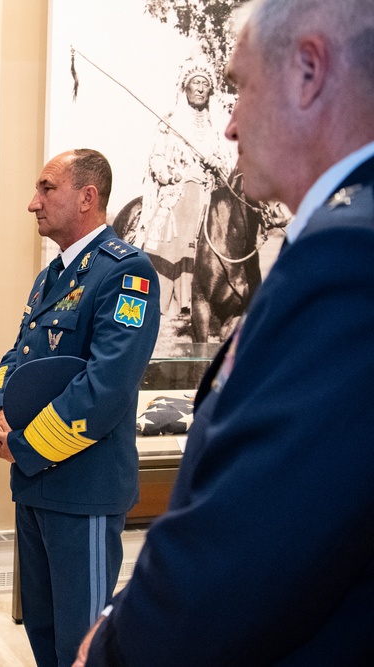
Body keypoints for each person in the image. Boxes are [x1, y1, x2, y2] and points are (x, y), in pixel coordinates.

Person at [74, 1, 374, 664]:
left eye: (240, 86)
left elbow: (252, 546)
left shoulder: (347, 257)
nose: (231, 121)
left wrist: (113, 646)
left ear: (307, 72)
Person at [0, 149, 160, 666]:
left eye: (46, 189)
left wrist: (25, 445)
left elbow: (104, 388)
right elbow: (18, 355)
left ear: (87, 197)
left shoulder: (127, 273)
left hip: (81, 487)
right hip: (36, 483)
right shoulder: (51, 277)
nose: (32, 203)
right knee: (44, 629)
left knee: (82, 641)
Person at [134, 55, 235, 316]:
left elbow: (229, 164)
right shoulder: (170, 123)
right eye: (195, 83)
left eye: (204, 83)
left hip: (211, 190)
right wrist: (174, 175)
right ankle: (165, 294)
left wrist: (217, 162)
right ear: (186, 88)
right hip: (179, 190)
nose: (200, 88)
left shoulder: (218, 128)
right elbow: (156, 158)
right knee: (181, 211)